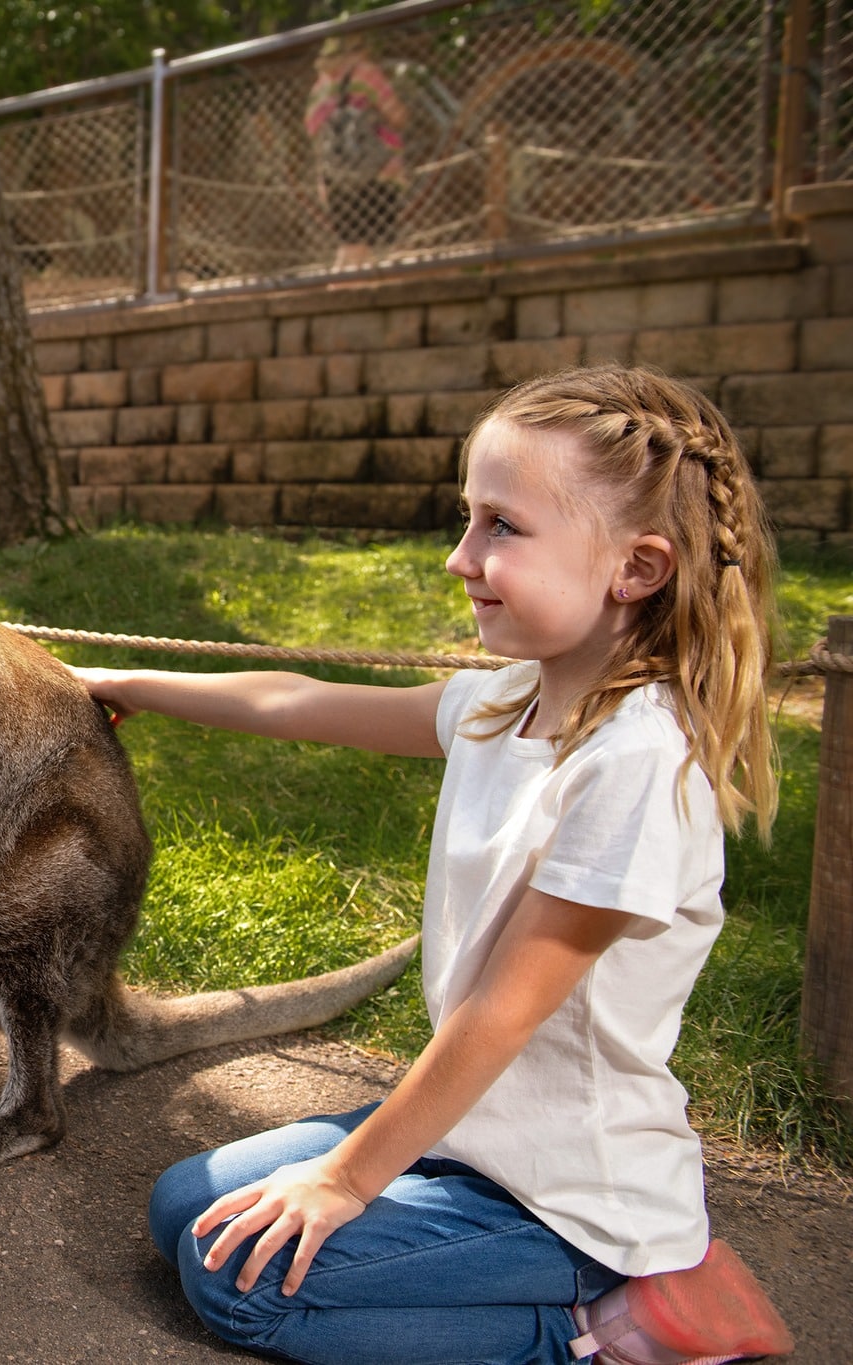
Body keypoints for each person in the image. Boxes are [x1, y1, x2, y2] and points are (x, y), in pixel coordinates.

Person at [75, 367, 795, 1365]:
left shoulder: (635, 761)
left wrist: (342, 1181)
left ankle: (614, 1331)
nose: (460, 558)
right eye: (466, 519)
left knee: (235, 1287)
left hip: (570, 1194)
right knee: (183, 1207)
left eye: (500, 525)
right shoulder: (504, 703)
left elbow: (501, 1013)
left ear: (633, 569)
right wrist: (119, 682)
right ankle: (453, 1226)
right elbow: (294, 700)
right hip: (478, 1136)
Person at [305, 34, 408, 271]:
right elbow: (398, 116)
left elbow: (312, 130)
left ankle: (340, 296)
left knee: (350, 246)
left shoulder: (320, 88)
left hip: (335, 179)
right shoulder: (366, 74)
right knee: (375, 248)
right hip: (377, 173)